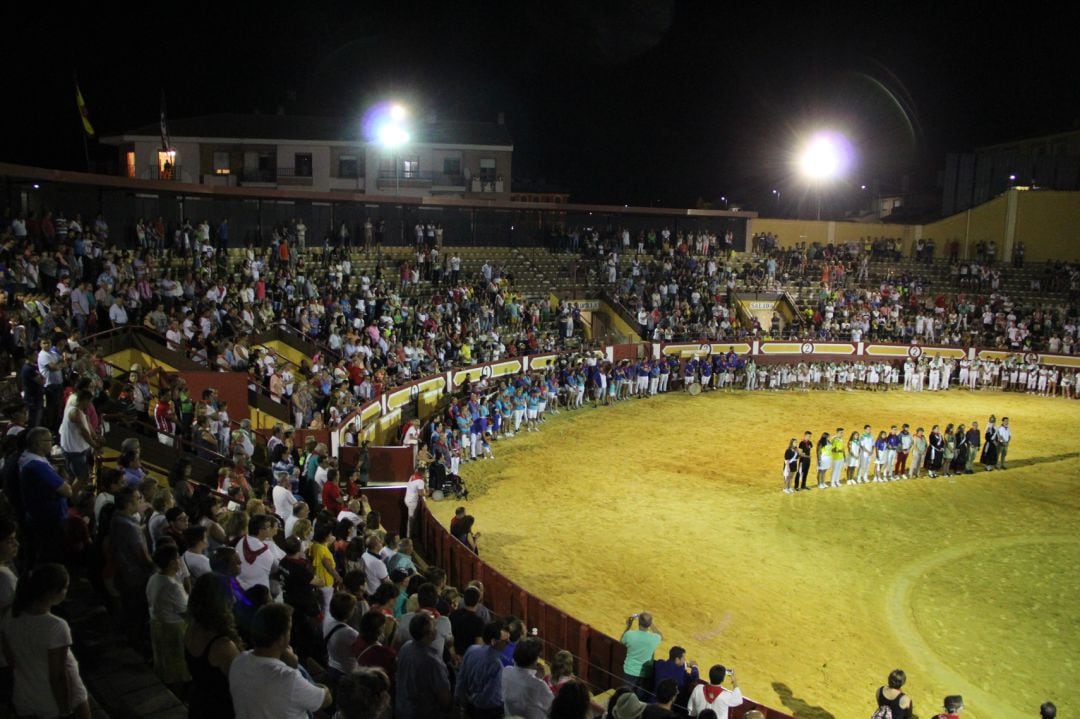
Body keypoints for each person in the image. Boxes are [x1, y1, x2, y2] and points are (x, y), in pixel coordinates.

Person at [0, 563, 90, 719]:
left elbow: (11, 661)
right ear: (52, 592)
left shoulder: (9, 618)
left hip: (25, 696)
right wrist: (65, 710)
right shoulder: (55, 626)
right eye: (65, 588)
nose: (66, 592)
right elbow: (58, 675)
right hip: (55, 701)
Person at [229, 603, 331, 718]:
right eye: (289, 631)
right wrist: (295, 667)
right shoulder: (287, 677)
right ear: (281, 640)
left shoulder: (238, 661)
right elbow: (326, 700)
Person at [185, 573, 242, 719]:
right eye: (230, 595)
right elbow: (241, 682)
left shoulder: (192, 628)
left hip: (199, 702)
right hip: (219, 708)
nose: (234, 600)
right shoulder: (222, 646)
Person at [147, 544, 191, 686]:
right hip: (173, 628)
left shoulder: (154, 578)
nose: (180, 562)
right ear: (172, 563)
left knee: (164, 660)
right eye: (178, 558)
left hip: (157, 624)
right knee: (177, 663)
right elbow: (185, 611)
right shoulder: (171, 585)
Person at [395, 612, 453, 719]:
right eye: (434, 626)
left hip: (402, 709)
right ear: (430, 634)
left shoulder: (405, 647)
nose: (436, 628)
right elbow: (444, 697)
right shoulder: (432, 661)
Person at [455, 620, 509, 719]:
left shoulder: (471, 650)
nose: (507, 644)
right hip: (487, 712)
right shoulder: (496, 664)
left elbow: (461, 677)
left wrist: (462, 699)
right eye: (505, 641)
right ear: (494, 641)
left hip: (468, 706)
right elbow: (489, 697)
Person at [502, 636, 554, 719]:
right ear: (534, 660)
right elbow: (552, 708)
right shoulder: (539, 685)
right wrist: (539, 680)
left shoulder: (506, 672)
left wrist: (537, 679)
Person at [620, 611, 662, 699]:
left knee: (625, 697)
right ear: (649, 624)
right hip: (645, 673)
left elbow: (621, 641)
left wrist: (628, 625)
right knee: (639, 699)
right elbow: (660, 635)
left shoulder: (629, 635)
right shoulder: (654, 638)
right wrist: (651, 624)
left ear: (638, 622)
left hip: (630, 670)